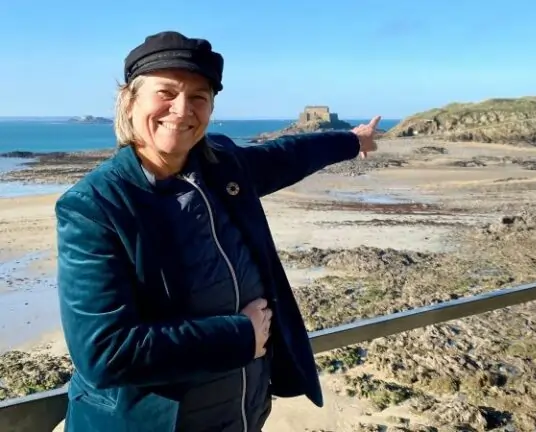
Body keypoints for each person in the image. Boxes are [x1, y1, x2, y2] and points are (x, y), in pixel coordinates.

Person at [55, 30, 380, 432]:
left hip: (241, 415)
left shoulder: (222, 166)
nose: (181, 110)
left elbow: (290, 155)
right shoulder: (94, 207)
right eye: (166, 93)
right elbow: (104, 352)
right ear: (129, 101)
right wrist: (240, 336)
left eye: (198, 97)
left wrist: (352, 141)